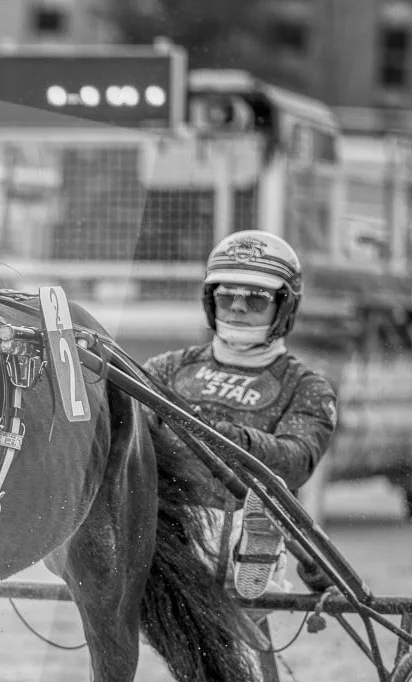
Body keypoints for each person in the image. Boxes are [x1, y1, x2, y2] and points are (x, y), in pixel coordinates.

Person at [144, 230, 338, 599]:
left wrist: (224, 436)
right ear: (210, 301)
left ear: (284, 307)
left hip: (242, 526)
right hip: (165, 524)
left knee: (256, 507)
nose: (237, 307)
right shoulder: (166, 369)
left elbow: (295, 461)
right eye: (227, 296)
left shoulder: (307, 387)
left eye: (256, 299)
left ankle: (249, 549)